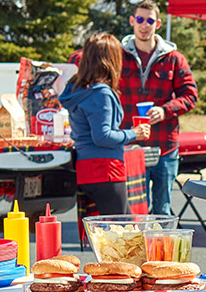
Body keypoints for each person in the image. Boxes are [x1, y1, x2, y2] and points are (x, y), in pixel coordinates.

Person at [118, 0, 198, 216]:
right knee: (135, 211)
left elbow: (190, 95)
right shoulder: (118, 56)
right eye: (140, 19)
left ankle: (160, 250)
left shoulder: (174, 59)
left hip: (165, 146)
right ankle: (139, 250)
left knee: (162, 209)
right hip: (131, 145)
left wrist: (165, 110)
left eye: (150, 20)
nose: (145, 25)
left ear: (158, 24)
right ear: (132, 21)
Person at [60, 33, 150, 215]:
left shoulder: (75, 89)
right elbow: (103, 136)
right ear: (111, 60)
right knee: (121, 232)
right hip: (106, 169)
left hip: (85, 169)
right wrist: (134, 133)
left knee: (102, 232)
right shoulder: (101, 93)